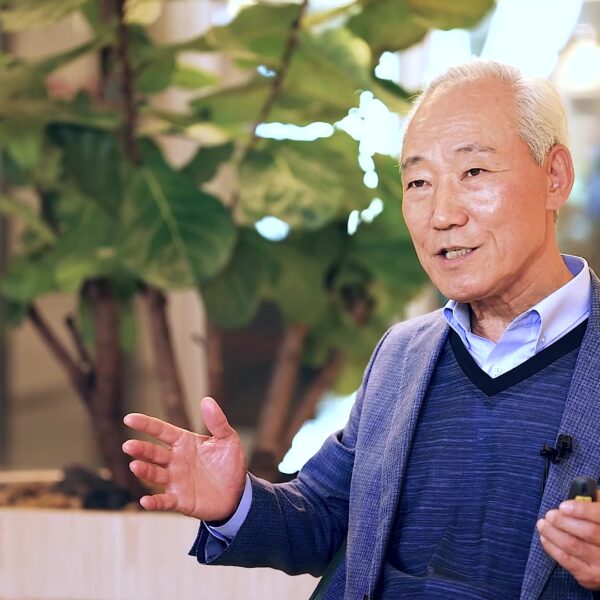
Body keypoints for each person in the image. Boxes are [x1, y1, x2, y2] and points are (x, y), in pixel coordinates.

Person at [122, 60, 600, 600]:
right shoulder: (403, 354)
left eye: (474, 172)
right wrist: (237, 502)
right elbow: (327, 517)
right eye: (419, 182)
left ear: (554, 177)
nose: (442, 214)